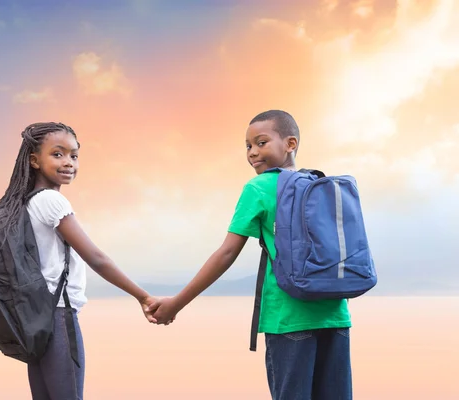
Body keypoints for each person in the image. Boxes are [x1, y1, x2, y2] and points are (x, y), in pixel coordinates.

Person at [148, 110, 353, 400]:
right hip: (335, 316)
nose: (253, 152)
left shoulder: (258, 187)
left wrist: (176, 304)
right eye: (248, 146)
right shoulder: (321, 186)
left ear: (290, 143)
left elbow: (227, 253)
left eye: (261, 142)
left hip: (288, 318)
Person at [0, 122, 160, 400]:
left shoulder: (25, 203)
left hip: (34, 318)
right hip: (59, 314)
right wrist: (142, 296)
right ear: (34, 160)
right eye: (58, 154)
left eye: (74, 156)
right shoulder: (52, 201)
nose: (68, 163)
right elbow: (96, 258)